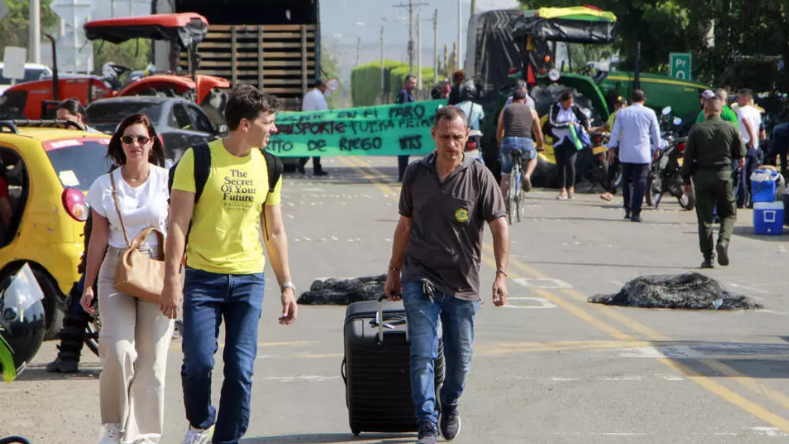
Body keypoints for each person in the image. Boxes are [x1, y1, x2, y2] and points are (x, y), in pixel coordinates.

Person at [163, 85, 298, 444]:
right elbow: (176, 223)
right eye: (268, 122)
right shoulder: (197, 159)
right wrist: (171, 279)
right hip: (203, 279)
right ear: (244, 124)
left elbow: (275, 230)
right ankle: (200, 421)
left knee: (240, 370)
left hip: (248, 281)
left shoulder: (270, 165)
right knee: (199, 364)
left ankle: (227, 440)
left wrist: (287, 284)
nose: (274, 129)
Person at [384, 105, 510, 444]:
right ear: (433, 136)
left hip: (463, 284)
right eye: (444, 137)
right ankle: (426, 423)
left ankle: (449, 403)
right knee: (422, 352)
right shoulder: (415, 173)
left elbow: (500, 226)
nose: (451, 144)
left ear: (467, 136)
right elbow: (404, 226)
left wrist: (501, 273)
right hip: (419, 278)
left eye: (457, 137)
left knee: (459, 362)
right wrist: (394, 271)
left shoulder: (480, 176)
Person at [80, 114, 172, 444]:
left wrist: (176, 281)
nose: (135, 145)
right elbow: (98, 239)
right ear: (119, 144)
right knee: (118, 353)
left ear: (152, 144)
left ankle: (145, 434)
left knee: (153, 360)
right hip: (115, 270)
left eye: (141, 139)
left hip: (157, 269)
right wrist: (88, 284)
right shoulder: (105, 185)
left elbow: (178, 232)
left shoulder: (166, 180)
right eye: (128, 139)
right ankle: (113, 425)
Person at [681, 97, 746, 269]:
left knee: (704, 218)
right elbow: (741, 152)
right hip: (724, 176)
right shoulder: (730, 128)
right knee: (729, 213)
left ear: (705, 110)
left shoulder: (696, 129)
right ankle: (723, 241)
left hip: (702, 177)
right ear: (721, 110)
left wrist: (685, 179)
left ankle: (708, 257)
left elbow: (687, 159)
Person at [606, 89, 663, 222]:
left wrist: (611, 148)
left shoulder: (622, 113)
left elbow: (615, 133)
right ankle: (636, 212)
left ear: (631, 100)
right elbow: (655, 132)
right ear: (644, 100)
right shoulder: (650, 112)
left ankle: (628, 209)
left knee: (627, 182)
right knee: (640, 182)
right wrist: (657, 148)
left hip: (626, 153)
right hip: (642, 154)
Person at [497, 88, 544, 199]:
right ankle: (527, 176)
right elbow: (537, 131)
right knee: (533, 157)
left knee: (505, 175)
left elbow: (499, 128)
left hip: (508, 141)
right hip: (525, 142)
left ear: (513, 99)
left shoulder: (505, 109)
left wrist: (499, 142)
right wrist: (540, 145)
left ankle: (503, 204)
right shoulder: (531, 111)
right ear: (525, 101)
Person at [548, 91, 589, 200]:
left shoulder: (575, 108)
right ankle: (562, 190)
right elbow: (552, 122)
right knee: (560, 165)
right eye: (567, 103)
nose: (569, 106)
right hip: (559, 140)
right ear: (562, 101)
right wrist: (567, 124)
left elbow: (584, 118)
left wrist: (584, 128)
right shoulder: (555, 107)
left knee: (570, 163)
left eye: (571, 103)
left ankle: (571, 188)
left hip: (572, 140)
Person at [592, 96, 627, 201]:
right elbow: (607, 127)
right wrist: (595, 129)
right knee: (613, 166)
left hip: (625, 144)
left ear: (626, 105)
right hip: (617, 143)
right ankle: (610, 190)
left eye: (622, 104)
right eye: (618, 104)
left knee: (623, 167)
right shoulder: (614, 115)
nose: (620, 106)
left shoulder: (626, 115)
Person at [736, 89, 766, 208]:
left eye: (739, 98)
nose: (737, 100)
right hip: (755, 147)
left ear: (745, 98)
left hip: (746, 144)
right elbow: (760, 130)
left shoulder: (741, 110)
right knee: (752, 175)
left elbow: (745, 121)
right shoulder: (756, 112)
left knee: (742, 174)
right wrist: (757, 141)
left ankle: (742, 201)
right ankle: (754, 201)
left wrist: (751, 138)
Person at [297, 80, 328, 176]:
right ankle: (316, 168)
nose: (325, 89)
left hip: (307, 124)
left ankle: (303, 164)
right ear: (321, 87)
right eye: (324, 87)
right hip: (317, 125)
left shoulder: (308, 95)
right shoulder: (319, 96)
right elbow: (324, 110)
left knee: (310, 145)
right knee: (316, 146)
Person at [456, 81, 485, 164]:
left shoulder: (456, 107)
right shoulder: (478, 107)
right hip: (475, 136)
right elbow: (482, 120)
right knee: (480, 160)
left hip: (461, 136)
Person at [396, 74, 418, 182]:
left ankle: (403, 174)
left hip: (407, 128)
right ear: (406, 82)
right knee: (403, 152)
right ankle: (402, 175)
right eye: (412, 83)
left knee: (406, 151)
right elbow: (404, 110)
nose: (414, 85)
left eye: (415, 83)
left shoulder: (409, 94)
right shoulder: (404, 94)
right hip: (404, 128)